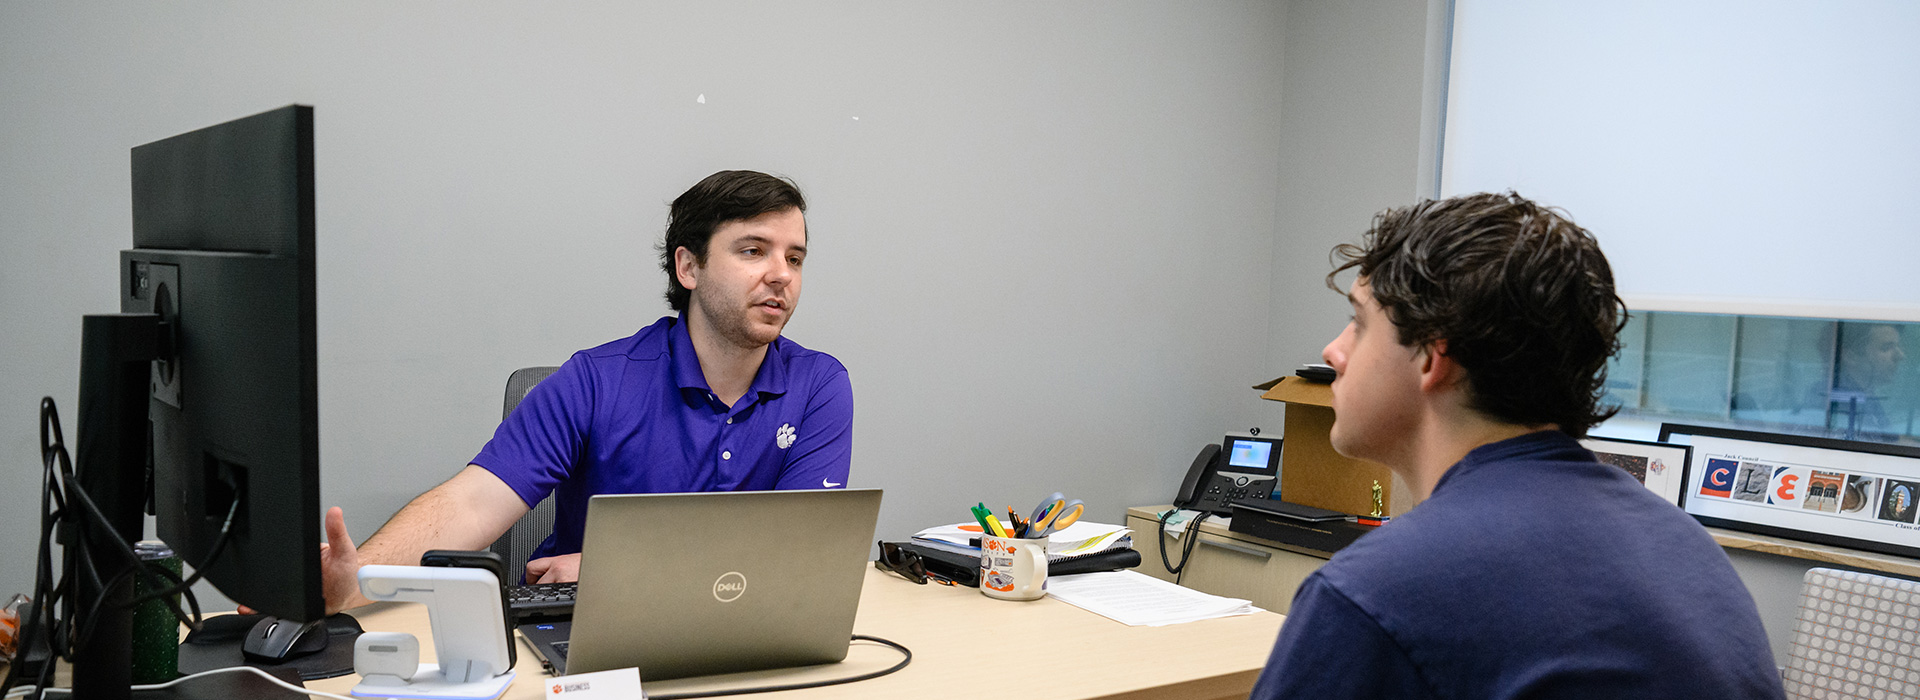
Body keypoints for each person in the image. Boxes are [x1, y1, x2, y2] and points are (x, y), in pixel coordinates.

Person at [1250, 193, 1784, 698]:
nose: (1333, 351)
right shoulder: (1683, 547)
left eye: (1358, 323)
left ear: (1432, 358)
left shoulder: (1370, 594)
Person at [313, 170, 853, 613]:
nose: (782, 274)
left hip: (745, 620)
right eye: (754, 251)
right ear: (689, 266)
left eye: (795, 258)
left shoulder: (820, 385)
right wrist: (357, 579)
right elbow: (472, 503)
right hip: (589, 623)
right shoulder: (597, 380)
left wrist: (609, 567)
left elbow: (801, 550)